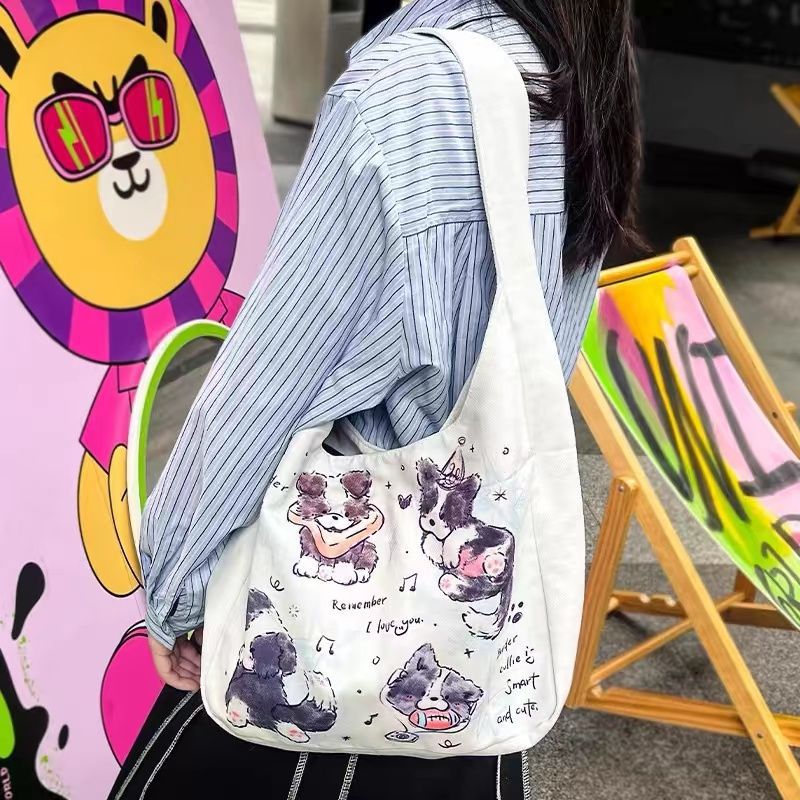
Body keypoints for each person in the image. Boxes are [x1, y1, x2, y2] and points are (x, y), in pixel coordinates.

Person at [114, 1, 642, 797]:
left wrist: (174, 582)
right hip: (474, 673)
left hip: (317, 651)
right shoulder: (580, 70)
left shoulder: (404, 91)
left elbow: (267, 386)